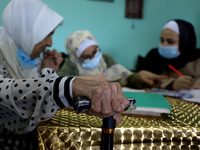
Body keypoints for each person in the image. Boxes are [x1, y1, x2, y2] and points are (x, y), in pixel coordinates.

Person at [0, 0, 129, 149]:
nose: (50, 43)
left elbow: (32, 97)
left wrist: (47, 70)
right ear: (28, 30)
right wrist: (70, 85)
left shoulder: (28, 55)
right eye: (47, 35)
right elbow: (5, 92)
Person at [57, 30, 168, 89]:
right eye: (86, 57)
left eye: (95, 51)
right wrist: (89, 79)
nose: (93, 57)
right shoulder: (71, 63)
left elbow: (123, 78)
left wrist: (138, 77)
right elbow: (59, 81)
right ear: (75, 57)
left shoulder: (106, 59)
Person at [136, 19, 200, 90]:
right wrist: (171, 84)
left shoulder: (197, 59)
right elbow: (141, 80)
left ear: (185, 42)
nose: (164, 45)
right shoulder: (154, 56)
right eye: (162, 40)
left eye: (170, 42)